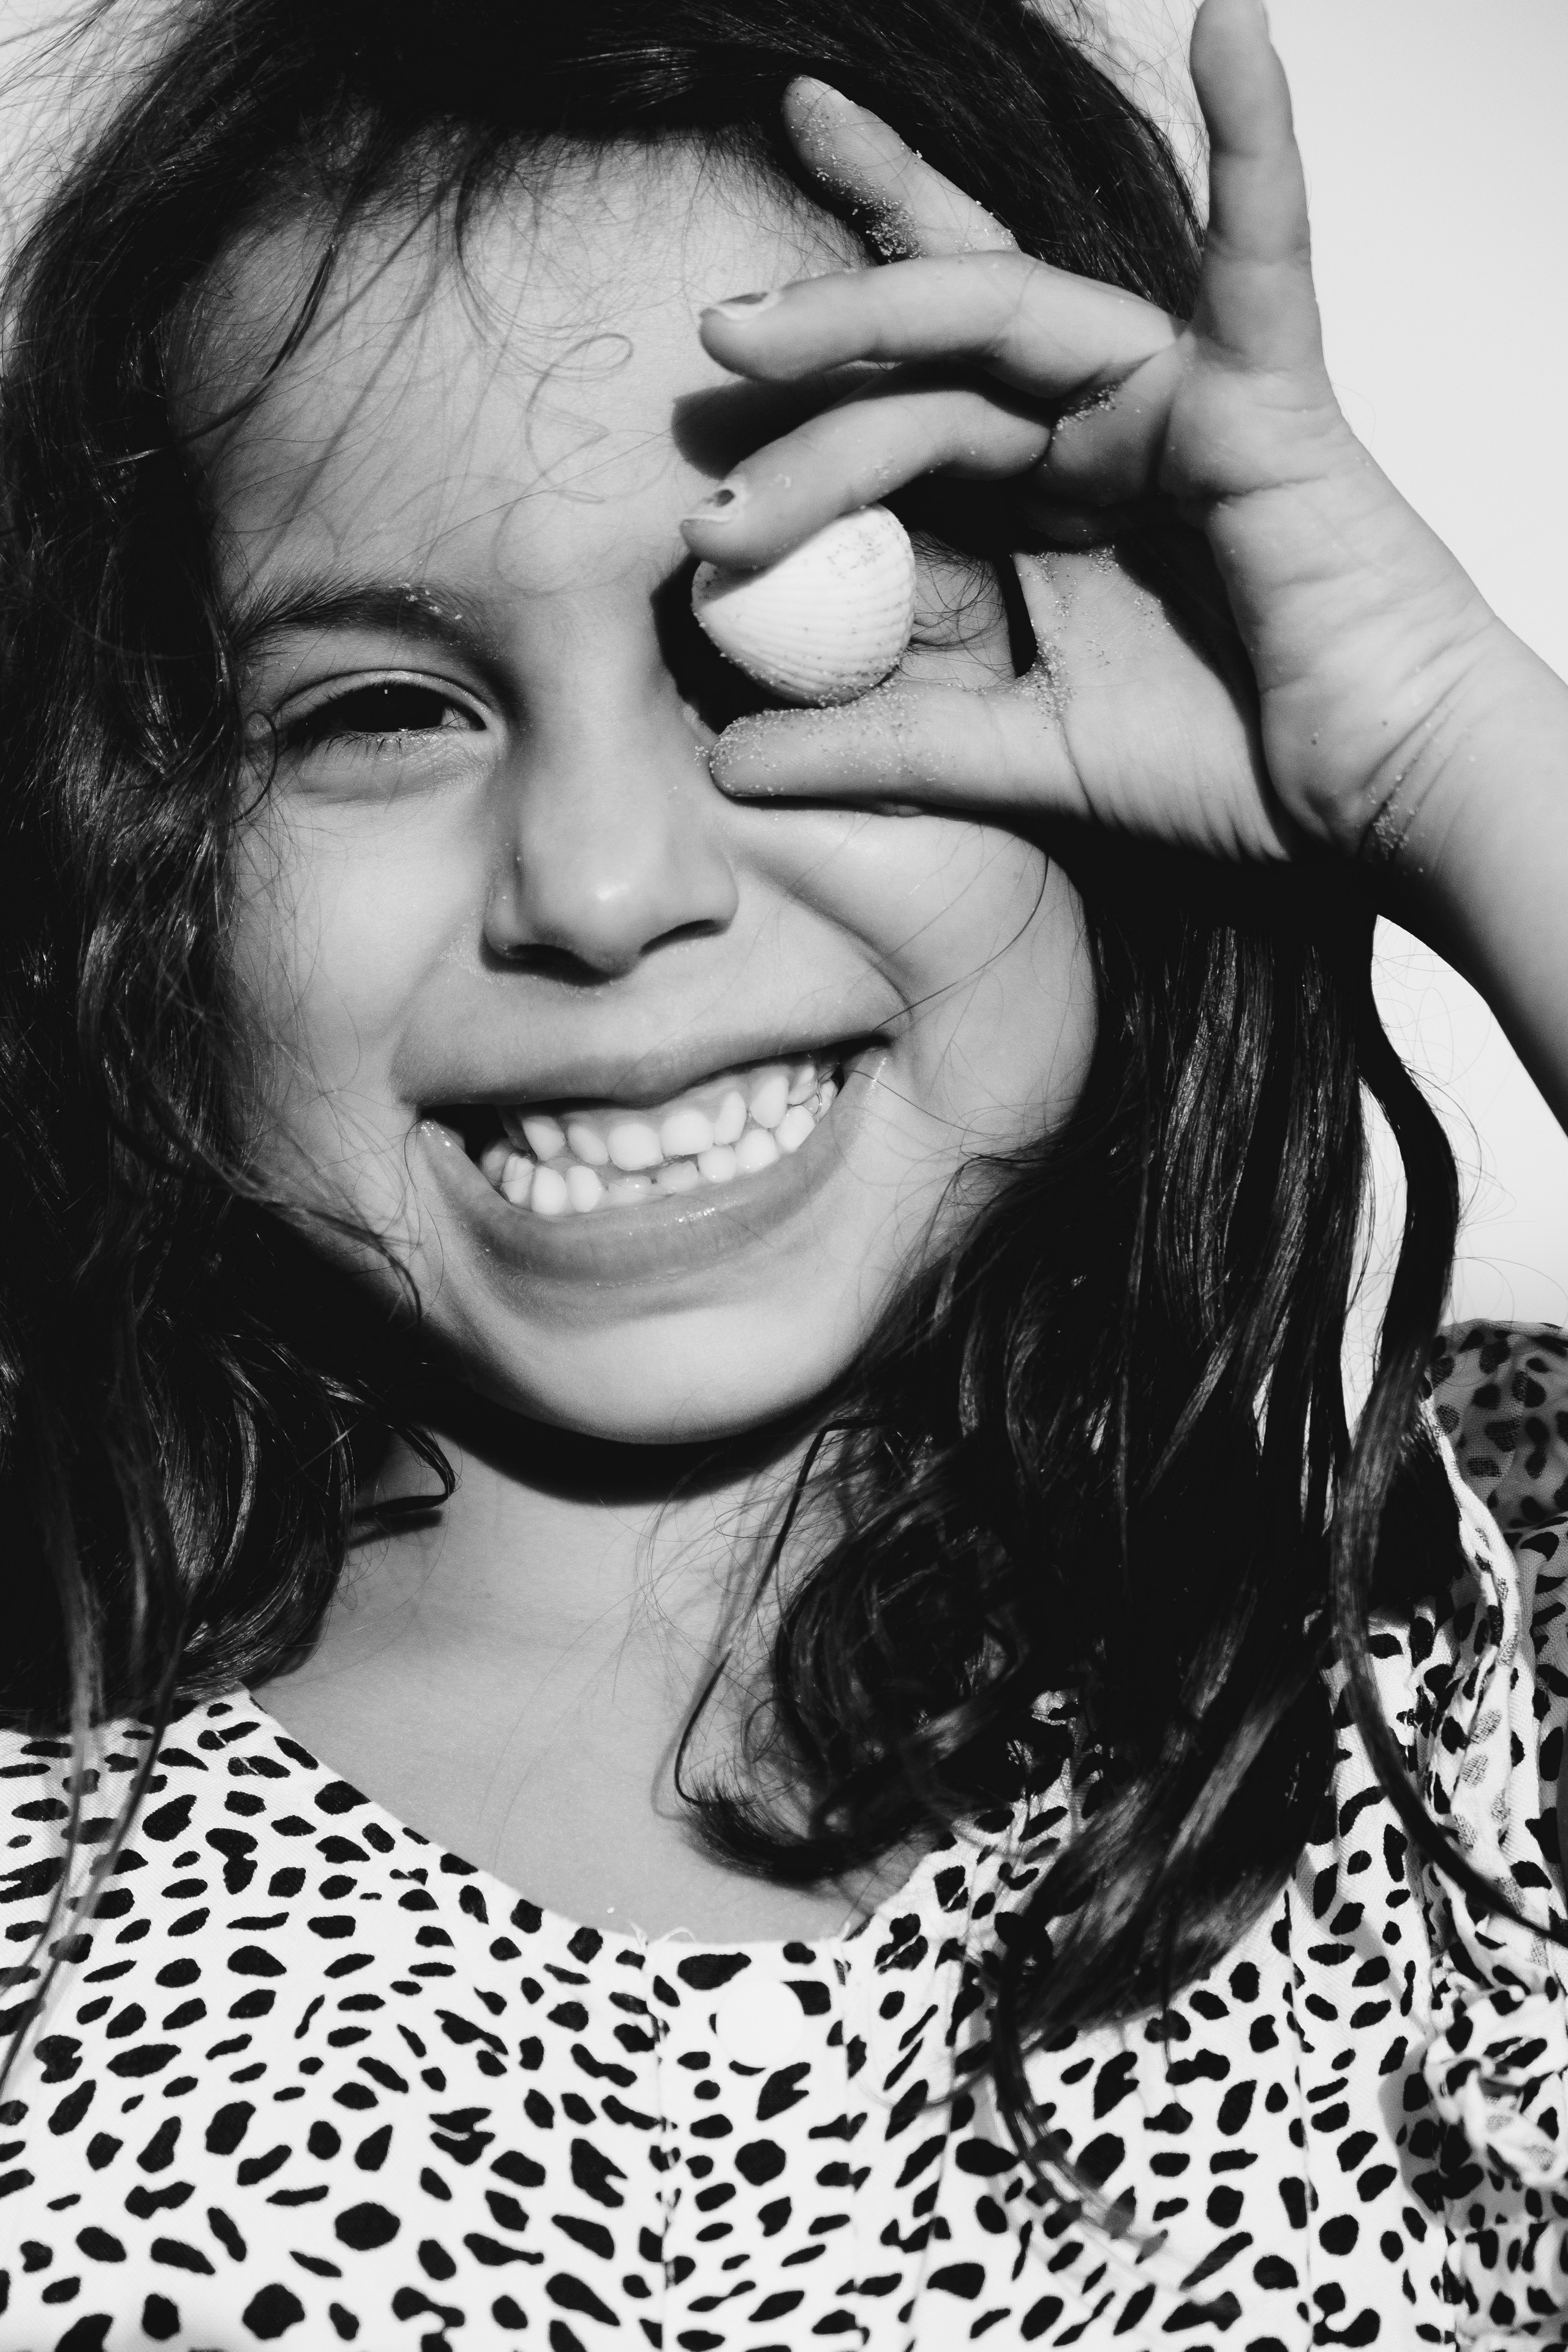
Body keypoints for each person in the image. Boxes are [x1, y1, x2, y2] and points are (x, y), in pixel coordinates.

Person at [1, 0, 1566, 2340]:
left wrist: (1456, 755)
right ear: (140, 863)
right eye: (374, 712)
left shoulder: (1357, 1682)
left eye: (782, 649)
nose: (608, 885)